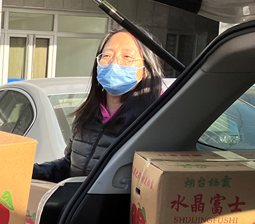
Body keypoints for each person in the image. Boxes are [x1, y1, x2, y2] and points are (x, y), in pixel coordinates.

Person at [32, 29, 163, 182]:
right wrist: (30, 170)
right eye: (107, 55)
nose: (114, 63)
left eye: (127, 57)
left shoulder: (152, 121)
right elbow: (70, 167)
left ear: (146, 70)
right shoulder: (86, 115)